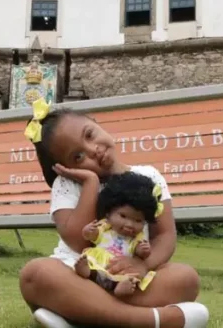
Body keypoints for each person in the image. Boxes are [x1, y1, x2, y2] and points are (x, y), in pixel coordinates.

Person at [18, 98, 209, 328]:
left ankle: (81, 316)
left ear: (95, 122)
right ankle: (153, 320)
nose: (92, 150)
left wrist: (143, 266)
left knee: (186, 279)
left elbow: (164, 236)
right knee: (35, 274)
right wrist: (90, 183)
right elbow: (78, 241)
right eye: (78, 157)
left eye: (89, 135)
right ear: (66, 168)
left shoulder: (149, 177)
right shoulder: (68, 185)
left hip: (130, 280)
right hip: (80, 274)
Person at [75, 171, 162, 298]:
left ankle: (121, 288)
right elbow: (93, 237)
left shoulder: (137, 237)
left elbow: (139, 252)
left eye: (138, 221)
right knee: (93, 266)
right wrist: (88, 231)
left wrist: (144, 251)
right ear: (108, 213)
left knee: (131, 276)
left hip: (123, 269)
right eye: (123, 216)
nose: (130, 224)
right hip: (101, 262)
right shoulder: (105, 227)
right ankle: (87, 272)